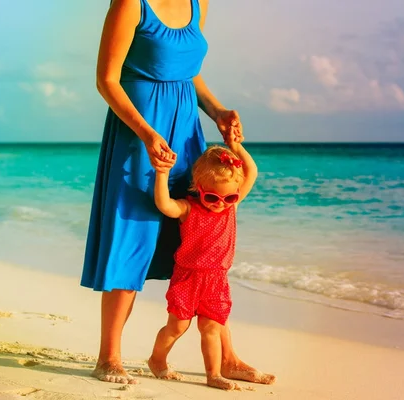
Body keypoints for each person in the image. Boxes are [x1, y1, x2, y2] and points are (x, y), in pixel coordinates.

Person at [80, 0, 275, 385]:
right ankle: (109, 357)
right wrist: (147, 133)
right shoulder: (130, 5)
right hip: (139, 136)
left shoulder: (197, 4)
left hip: (186, 134)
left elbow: (189, 72)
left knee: (204, 239)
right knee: (132, 239)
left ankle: (229, 357)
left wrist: (217, 111)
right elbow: (106, 80)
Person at [147, 138, 257, 391]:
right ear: (198, 188)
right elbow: (165, 205)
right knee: (177, 327)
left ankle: (214, 374)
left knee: (211, 328)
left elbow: (252, 172)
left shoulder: (232, 207)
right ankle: (157, 359)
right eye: (212, 196)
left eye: (229, 196)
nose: (220, 203)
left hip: (217, 280)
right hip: (187, 277)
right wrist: (162, 174)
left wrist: (236, 147)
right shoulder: (189, 208)